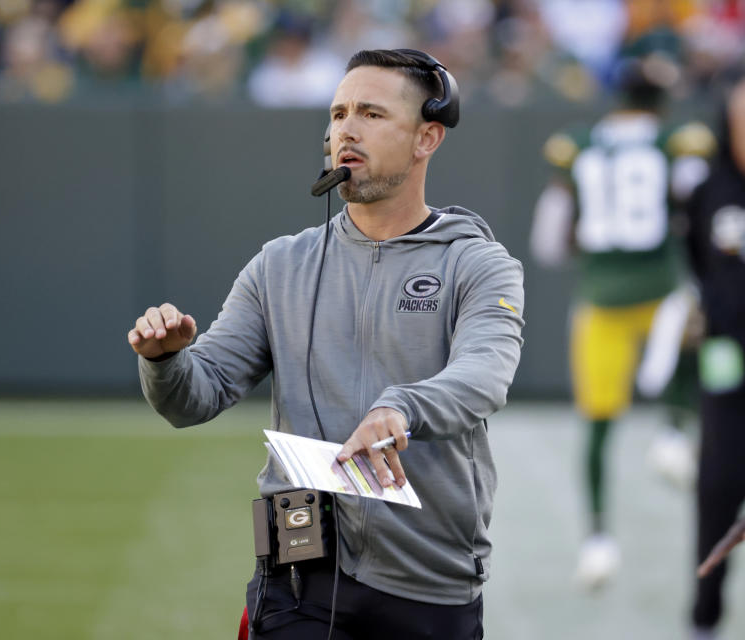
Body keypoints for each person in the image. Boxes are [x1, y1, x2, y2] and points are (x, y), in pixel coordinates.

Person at [127, 48, 524, 639]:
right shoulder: (279, 264)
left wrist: (401, 407)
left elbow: (484, 374)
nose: (346, 129)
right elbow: (193, 398)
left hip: (430, 581)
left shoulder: (479, 264)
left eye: (370, 113)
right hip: (295, 569)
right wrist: (164, 360)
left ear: (427, 138)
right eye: (338, 114)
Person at [530, 43, 715, 589]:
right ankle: (674, 433)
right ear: (659, 100)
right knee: (700, 337)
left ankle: (597, 540)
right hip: (661, 290)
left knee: (599, 423)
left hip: (601, 297)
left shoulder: (579, 147)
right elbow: (695, 207)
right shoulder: (674, 143)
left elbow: (548, 242)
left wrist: (586, 243)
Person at [685, 74, 745, 640]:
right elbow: (698, 264)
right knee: (717, 495)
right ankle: (705, 618)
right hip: (728, 372)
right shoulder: (710, 188)